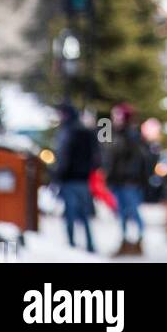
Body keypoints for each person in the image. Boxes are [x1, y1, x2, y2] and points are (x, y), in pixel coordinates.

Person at [104, 103, 150, 256]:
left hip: (128, 181)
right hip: (118, 181)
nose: (114, 118)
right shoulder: (115, 133)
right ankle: (125, 241)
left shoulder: (131, 135)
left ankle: (138, 240)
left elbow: (137, 160)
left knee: (132, 211)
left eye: (117, 115)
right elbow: (108, 153)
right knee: (122, 212)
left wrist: (132, 177)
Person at [53, 102, 98, 253]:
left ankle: (71, 245)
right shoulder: (86, 132)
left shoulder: (67, 132)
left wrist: (58, 175)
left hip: (70, 179)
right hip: (84, 179)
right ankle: (90, 244)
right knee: (84, 214)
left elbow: (63, 157)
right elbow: (96, 156)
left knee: (70, 214)